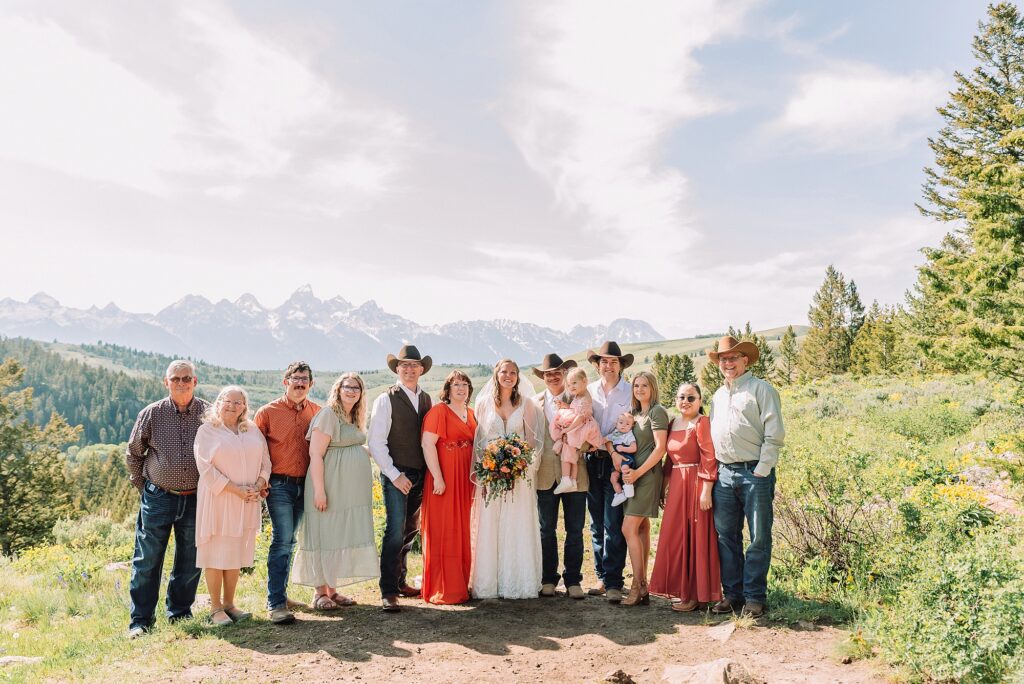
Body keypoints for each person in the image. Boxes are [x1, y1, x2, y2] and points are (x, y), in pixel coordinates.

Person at [125, 360, 210, 638]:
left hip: (197, 498)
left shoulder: (208, 413)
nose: (182, 383)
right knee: (147, 560)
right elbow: (134, 454)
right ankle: (141, 621)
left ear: (195, 381)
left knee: (190, 559)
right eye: (176, 379)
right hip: (159, 497)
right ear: (166, 382)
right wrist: (145, 488)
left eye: (187, 378)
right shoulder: (151, 414)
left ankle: (180, 614)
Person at [707, 336, 785, 618]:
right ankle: (733, 594)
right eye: (723, 359)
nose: (727, 363)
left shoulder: (761, 390)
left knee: (758, 536)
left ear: (745, 360)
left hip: (754, 472)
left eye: (733, 358)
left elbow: (774, 433)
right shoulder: (717, 395)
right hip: (724, 472)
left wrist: (762, 468)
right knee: (726, 536)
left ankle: (754, 596)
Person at [291, 373, 379, 609]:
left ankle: (332, 589)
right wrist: (320, 491)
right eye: (347, 387)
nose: (351, 391)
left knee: (338, 536)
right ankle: (319, 593)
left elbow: (352, 444)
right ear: (338, 390)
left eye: (356, 388)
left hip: (348, 489)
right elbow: (316, 454)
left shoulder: (353, 416)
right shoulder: (328, 414)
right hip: (328, 484)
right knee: (323, 534)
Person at [194, 386, 272, 626]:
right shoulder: (207, 431)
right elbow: (206, 469)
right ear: (218, 403)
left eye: (238, 402)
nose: (232, 406)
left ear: (245, 407)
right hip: (220, 499)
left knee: (235, 552)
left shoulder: (252, 430)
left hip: (247, 499)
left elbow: (266, 462)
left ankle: (230, 604)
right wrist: (236, 489)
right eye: (227, 401)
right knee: (216, 552)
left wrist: (259, 484)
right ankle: (215, 608)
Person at [253, 362, 321, 625]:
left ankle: (282, 594)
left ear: (311, 384)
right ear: (285, 382)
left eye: (305, 379)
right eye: (295, 378)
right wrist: (259, 480)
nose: (300, 383)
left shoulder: (316, 413)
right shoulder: (267, 413)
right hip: (278, 484)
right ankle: (276, 603)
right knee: (282, 540)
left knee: (291, 540)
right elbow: (255, 449)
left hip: (307, 485)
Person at [470, 359, 544, 599]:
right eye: (504, 372)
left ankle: (518, 581)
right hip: (491, 475)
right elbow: (479, 441)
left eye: (513, 372)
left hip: (519, 475)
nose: (508, 376)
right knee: (491, 524)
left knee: (516, 523)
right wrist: (487, 468)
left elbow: (532, 441)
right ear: (496, 374)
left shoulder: (527, 404)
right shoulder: (482, 404)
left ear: (518, 377)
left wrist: (517, 463)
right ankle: (489, 582)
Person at [368, 345, 433, 612]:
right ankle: (388, 591)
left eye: (413, 365)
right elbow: (376, 443)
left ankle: (401, 581)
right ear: (397, 369)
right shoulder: (386, 399)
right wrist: (395, 476)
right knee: (394, 531)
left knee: (410, 530)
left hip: (420, 474)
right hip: (396, 474)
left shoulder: (427, 399)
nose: (408, 369)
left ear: (421, 370)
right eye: (403, 365)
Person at [649, 382, 721, 612]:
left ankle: (695, 595)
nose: (686, 402)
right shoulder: (672, 424)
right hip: (677, 487)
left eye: (691, 397)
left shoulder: (702, 423)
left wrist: (706, 489)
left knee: (696, 536)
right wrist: (662, 487)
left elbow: (709, 457)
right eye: (682, 397)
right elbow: (669, 461)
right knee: (677, 537)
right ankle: (682, 590)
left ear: (700, 400)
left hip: (697, 482)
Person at [531, 353, 590, 600]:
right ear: (543, 377)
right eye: (548, 373)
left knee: (575, 529)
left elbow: (588, 433)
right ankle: (548, 579)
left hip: (575, 473)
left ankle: (573, 579)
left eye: (557, 372)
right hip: (544, 473)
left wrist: (575, 446)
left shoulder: (579, 398)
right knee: (546, 529)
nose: (553, 376)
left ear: (565, 374)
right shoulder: (533, 403)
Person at [419, 370, 478, 604]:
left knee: (462, 529)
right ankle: (444, 588)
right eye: (456, 384)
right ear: (448, 388)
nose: (461, 388)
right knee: (444, 529)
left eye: (465, 384)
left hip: (465, 478)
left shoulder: (471, 414)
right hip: (444, 477)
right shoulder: (438, 412)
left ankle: (462, 583)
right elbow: (427, 444)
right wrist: (438, 478)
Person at [585, 341, 633, 603]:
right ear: (597, 365)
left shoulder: (629, 392)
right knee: (595, 522)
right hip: (591, 459)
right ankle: (602, 577)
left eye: (613, 361)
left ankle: (614, 580)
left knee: (614, 522)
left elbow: (631, 424)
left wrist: (615, 450)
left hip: (617, 461)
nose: (608, 365)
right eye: (604, 361)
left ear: (621, 365)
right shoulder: (589, 391)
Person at [620, 371, 668, 607]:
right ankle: (644, 586)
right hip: (632, 477)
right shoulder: (635, 414)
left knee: (628, 527)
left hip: (647, 476)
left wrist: (638, 473)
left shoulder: (656, 412)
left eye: (644, 385)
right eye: (636, 385)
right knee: (641, 529)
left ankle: (637, 585)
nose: (639, 389)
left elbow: (660, 449)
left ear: (653, 387)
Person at [550, 367, 602, 495]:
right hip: (580, 425)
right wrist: (565, 406)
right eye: (568, 384)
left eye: (574, 383)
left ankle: (566, 478)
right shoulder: (579, 395)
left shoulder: (585, 398)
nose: (571, 386)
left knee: (567, 449)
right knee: (573, 454)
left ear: (584, 381)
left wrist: (567, 429)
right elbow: (575, 409)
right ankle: (572, 481)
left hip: (581, 426)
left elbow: (580, 417)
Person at [605, 413, 638, 507]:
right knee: (613, 478)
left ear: (632, 426)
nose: (623, 425)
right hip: (615, 459)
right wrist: (594, 445)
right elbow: (605, 439)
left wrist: (623, 448)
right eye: (621, 422)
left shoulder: (629, 435)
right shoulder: (615, 433)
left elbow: (634, 448)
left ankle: (628, 488)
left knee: (624, 469)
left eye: (627, 424)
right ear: (616, 424)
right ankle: (620, 494)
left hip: (626, 457)